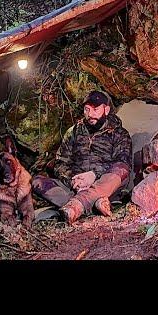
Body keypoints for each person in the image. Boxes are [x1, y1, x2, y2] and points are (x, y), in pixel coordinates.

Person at [31, 91, 132, 224]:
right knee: (37, 181)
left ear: (106, 110)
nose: (90, 114)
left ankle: (77, 205)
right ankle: (94, 202)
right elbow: (61, 163)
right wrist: (74, 180)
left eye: (95, 109)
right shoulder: (73, 132)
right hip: (75, 186)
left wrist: (94, 175)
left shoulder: (119, 134)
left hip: (105, 184)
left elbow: (123, 162)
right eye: (87, 109)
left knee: (121, 170)